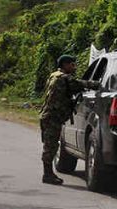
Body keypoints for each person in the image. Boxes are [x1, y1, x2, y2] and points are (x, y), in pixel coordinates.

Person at [39, 55, 101, 185]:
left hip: (48, 116)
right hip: (53, 117)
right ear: (65, 65)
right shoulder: (64, 79)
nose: (74, 67)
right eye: (72, 64)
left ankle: (48, 173)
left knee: (50, 145)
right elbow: (81, 84)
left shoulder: (54, 75)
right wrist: (99, 84)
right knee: (51, 146)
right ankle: (47, 174)